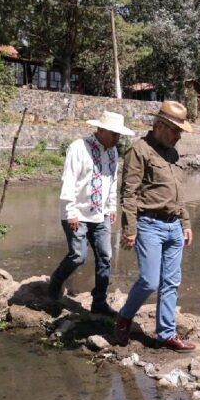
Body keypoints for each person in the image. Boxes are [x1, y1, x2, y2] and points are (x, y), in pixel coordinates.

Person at [114, 101, 196, 351]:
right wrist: (129, 230)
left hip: (173, 227)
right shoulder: (139, 150)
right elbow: (128, 194)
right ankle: (125, 317)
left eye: (181, 131)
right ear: (159, 126)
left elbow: (178, 192)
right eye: (175, 130)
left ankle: (166, 334)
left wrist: (185, 222)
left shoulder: (172, 153)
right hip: (149, 225)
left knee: (171, 281)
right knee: (150, 281)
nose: (179, 136)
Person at [48, 111, 134, 315]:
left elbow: (111, 181)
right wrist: (70, 212)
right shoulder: (78, 148)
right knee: (78, 256)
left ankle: (99, 302)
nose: (117, 139)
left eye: (119, 135)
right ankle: (56, 281)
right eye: (114, 134)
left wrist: (112, 207)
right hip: (77, 212)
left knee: (105, 256)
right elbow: (68, 180)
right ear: (101, 130)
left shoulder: (113, 152)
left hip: (101, 213)